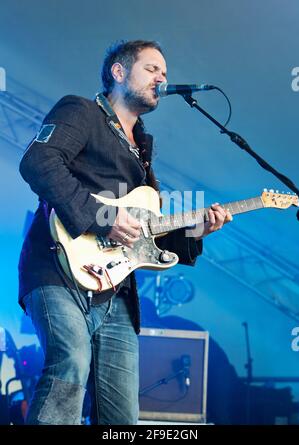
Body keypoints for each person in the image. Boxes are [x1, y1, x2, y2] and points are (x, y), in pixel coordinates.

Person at [18, 40, 232, 425]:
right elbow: (38, 161)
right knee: (70, 362)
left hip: (117, 292)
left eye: (164, 72)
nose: (162, 77)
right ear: (118, 72)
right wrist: (103, 217)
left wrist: (195, 232)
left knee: (122, 415)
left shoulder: (143, 151)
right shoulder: (81, 111)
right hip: (57, 268)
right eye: (152, 69)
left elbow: (146, 236)